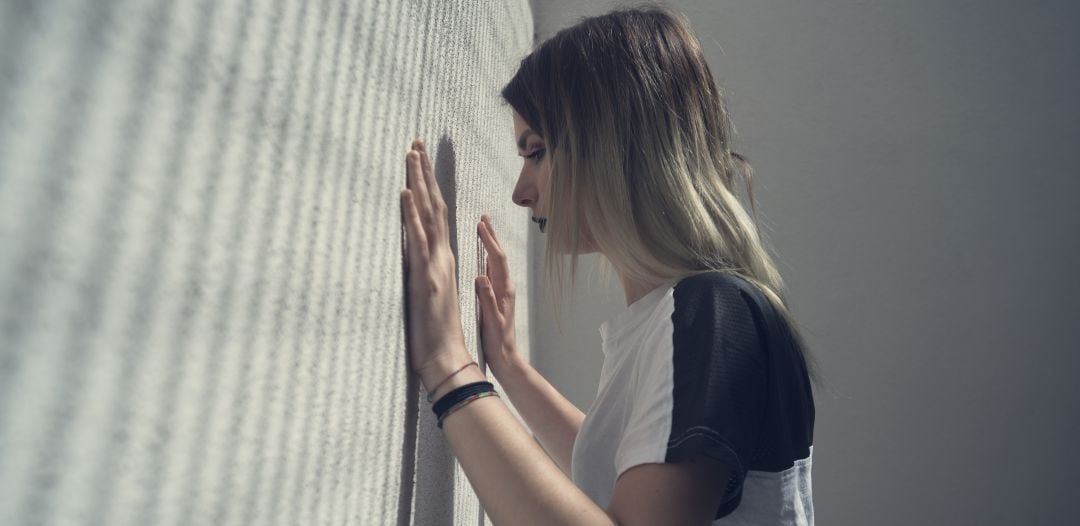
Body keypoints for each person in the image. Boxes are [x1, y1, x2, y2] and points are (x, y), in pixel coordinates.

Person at [400, 5, 819, 525]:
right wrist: (507, 366)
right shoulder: (696, 311)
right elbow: (627, 479)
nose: (520, 192)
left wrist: (450, 370)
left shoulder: (710, 312)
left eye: (536, 151)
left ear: (610, 143)